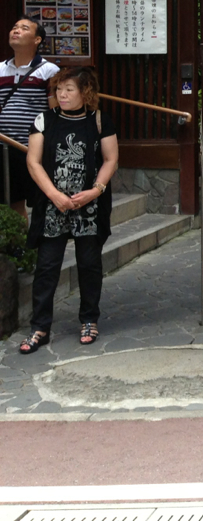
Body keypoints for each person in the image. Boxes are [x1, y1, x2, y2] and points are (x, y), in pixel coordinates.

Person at [20, 66, 118, 354]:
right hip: (52, 206)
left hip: (89, 205)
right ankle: (39, 326)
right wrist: (55, 195)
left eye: (69, 89)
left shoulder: (99, 120)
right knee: (47, 267)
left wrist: (95, 190)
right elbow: (33, 161)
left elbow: (111, 159)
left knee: (89, 264)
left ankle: (89, 319)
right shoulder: (44, 120)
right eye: (59, 89)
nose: (62, 94)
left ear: (85, 92)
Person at [0, 18, 59, 222]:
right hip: (5, 146)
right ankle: (21, 248)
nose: (16, 30)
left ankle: (41, 248)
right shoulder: (0, 69)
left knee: (41, 200)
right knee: (13, 201)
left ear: (37, 40)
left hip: (33, 147)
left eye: (24, 28)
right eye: (14, 27)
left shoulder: (49, 70)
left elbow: (56, 111)